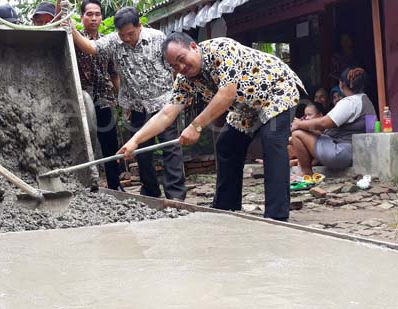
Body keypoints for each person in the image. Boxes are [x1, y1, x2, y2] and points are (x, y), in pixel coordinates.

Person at [118, 32, 305, 221]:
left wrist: (196, 126)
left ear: (193, 47)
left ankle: (276, 216)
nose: (181, 67)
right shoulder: (184, 81)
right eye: (174, 66)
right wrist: (134, 141)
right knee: (227, 144)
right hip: (246, 107)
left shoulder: (222, 49)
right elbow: (166, 114)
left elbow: (227, 94)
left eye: (182, 59)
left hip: (277, 91)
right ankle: (226, 208)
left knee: (272, 142)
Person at [72, 7, 186, 200]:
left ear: (139, 26)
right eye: (122, 34)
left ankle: (176, 196)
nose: (126, 38)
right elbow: (91, 48)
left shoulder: (158, 38)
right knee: (141, 152)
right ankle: (150, 193)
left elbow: (174, 68)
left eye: (130, 33)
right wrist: (71, 29)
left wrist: (178, 96)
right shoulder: (114, 41)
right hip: (136, 107)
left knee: (170, 148)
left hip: (163, 104)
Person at [73, 0, 123, 191]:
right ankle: (85, 184)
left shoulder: (107, 41)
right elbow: (60, 19)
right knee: (84, 142)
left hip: (104, 98)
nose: (94, 18)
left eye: (97, 14)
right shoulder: (73, 38)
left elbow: (114, 73)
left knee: (109, 142)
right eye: (89, 14)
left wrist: (120, 100)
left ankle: (114, 184)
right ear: (82, 16)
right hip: (79, 99)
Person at [290, 68, 375, 175]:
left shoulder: (350, 102)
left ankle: (305, 171)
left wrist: (299, 124)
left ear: (341, 84)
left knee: (297, 134)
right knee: (313, 134)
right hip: (357, 151)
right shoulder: (365, 100)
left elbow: (324, 123)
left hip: (341, 153)